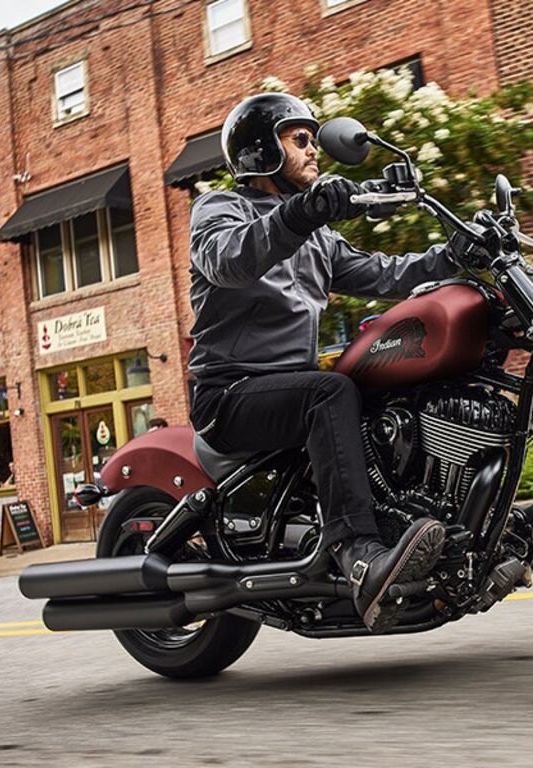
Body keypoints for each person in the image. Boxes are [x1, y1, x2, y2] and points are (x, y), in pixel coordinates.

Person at [188, 92, 471, 633]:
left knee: (380, 385)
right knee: (330, 390)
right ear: (259, 151)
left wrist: (456, 253)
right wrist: (303, 211)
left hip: (290, 391)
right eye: (300, 140)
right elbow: (231, 261)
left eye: (313, 139)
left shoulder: (317, 236)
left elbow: (385, 274)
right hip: (230, 395)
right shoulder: (220, 210)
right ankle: (358, 553)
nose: (314, 149)